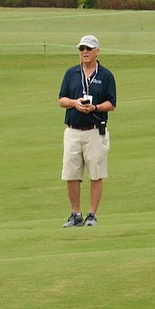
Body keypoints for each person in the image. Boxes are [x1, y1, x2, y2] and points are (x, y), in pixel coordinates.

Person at [58, 35, 117, 228]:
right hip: (73, 131)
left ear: (97, 51)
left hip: (94, 130)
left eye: (88, 49)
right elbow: (61, 100)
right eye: (81, 49)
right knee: (71, 174)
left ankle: (92, 215)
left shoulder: (106, 75)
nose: (84, 52)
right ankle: (75, 214)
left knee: (96, 173)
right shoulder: (71, 73)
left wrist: (95, 108)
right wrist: (74, 103)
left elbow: (112, 104)